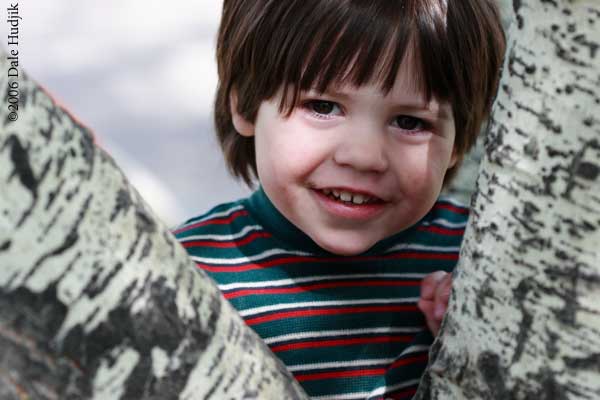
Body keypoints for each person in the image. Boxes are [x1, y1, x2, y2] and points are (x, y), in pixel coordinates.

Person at [173, 1, 505, 398]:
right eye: (323, 106)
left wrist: (480, 344)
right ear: (245, 102)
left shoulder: (479, 258)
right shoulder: (187, 273)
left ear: (459, 141)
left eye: (410, 122)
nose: (363, 156)